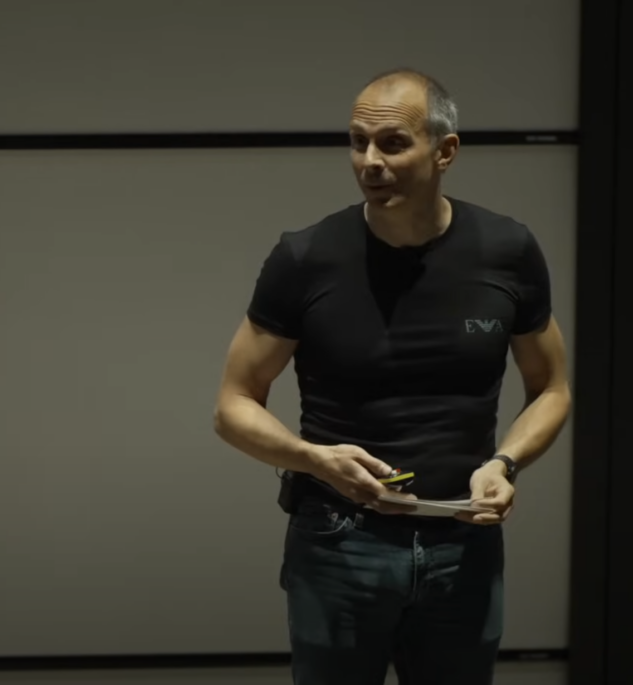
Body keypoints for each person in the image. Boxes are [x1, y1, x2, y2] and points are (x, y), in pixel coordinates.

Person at [212, 69, 571, 685]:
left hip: (463, 540)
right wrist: (313, 459)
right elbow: (233, 405)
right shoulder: (306, 257)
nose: (369, 162)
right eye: (357, 143)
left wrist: (504, 464)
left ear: (446, 150)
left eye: (392, 145)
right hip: (338, 541)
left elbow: (553, 388)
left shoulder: (507, 250)